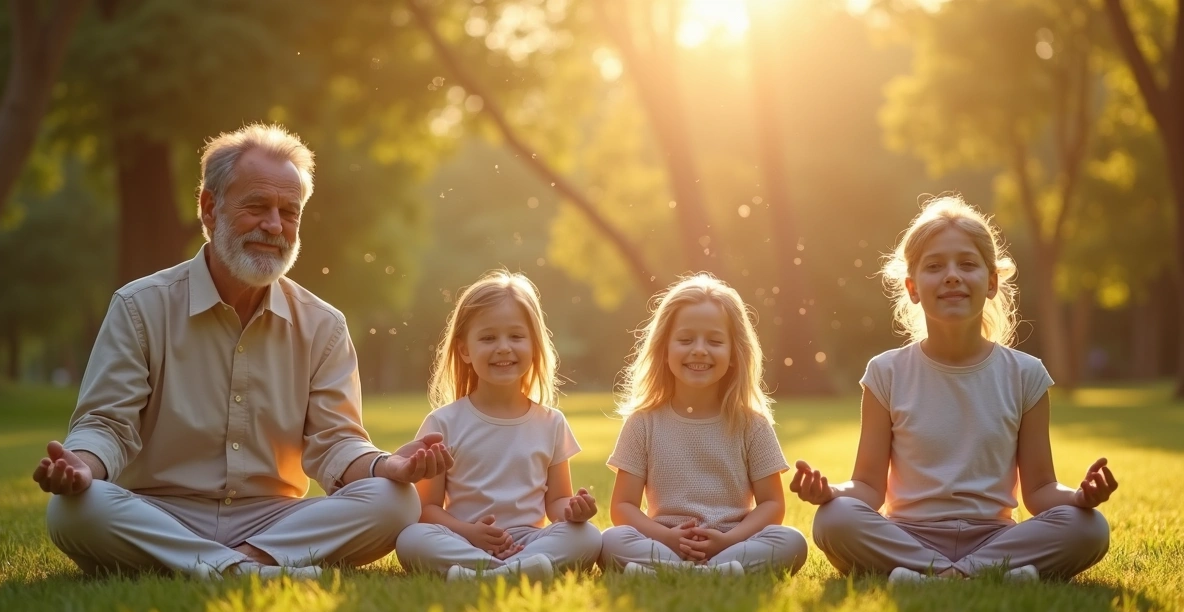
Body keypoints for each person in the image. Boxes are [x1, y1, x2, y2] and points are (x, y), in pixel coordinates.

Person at [31, 123, 452, 579]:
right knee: (73, 510)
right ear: (209, 209)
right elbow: (107, 425)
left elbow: (336, 442)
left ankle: (232, 564)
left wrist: (388, 464)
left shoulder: (323, 325)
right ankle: (254, 569)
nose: (274, 226)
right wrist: (81, 467)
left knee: (395, 500)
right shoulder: (139, 307)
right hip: (161, 512)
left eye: (289, 212)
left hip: (273, 519)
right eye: (257, 206)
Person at [791, 196, 1114, 583]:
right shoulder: (886, 372)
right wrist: (829, 491)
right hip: (908, 534)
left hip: (994, 537)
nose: (951, 275)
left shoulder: (1026, 374)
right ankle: (983, 575)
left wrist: (1079, 498)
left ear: (991, 282)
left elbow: (1041, 489)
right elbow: (867, 487)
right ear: (912, 287)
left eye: (967, 264)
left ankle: (934, 575)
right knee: (834, 518)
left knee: (1090, 527)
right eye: (934, 266)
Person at [395, 271, 603, 581]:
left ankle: (486, 574)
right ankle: (511, 572)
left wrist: (573, 511)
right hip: (464, 538)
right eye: (488, 338)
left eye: (516, 337)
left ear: (533, 345)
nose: (503, 347)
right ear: (465, 349)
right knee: (411, 539)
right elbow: (426, 509)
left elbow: (557, 502)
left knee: (588, 536)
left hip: (527, 541)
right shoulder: (443, 423)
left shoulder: (551, 422)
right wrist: (470, 533)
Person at [599, 273, 808, 575]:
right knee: (611, 540)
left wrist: (726, 541)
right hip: (664, 542)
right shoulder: (643, 422)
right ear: (665, 349)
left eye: (714, 341)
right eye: (685, 340)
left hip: (732, 543)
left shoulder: (752, 424)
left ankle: (688, 570)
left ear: (735, 353)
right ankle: (706, 571)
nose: (699, 350)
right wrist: (668, 537)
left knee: (791, 541)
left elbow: (772, 505)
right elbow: (623, 507)